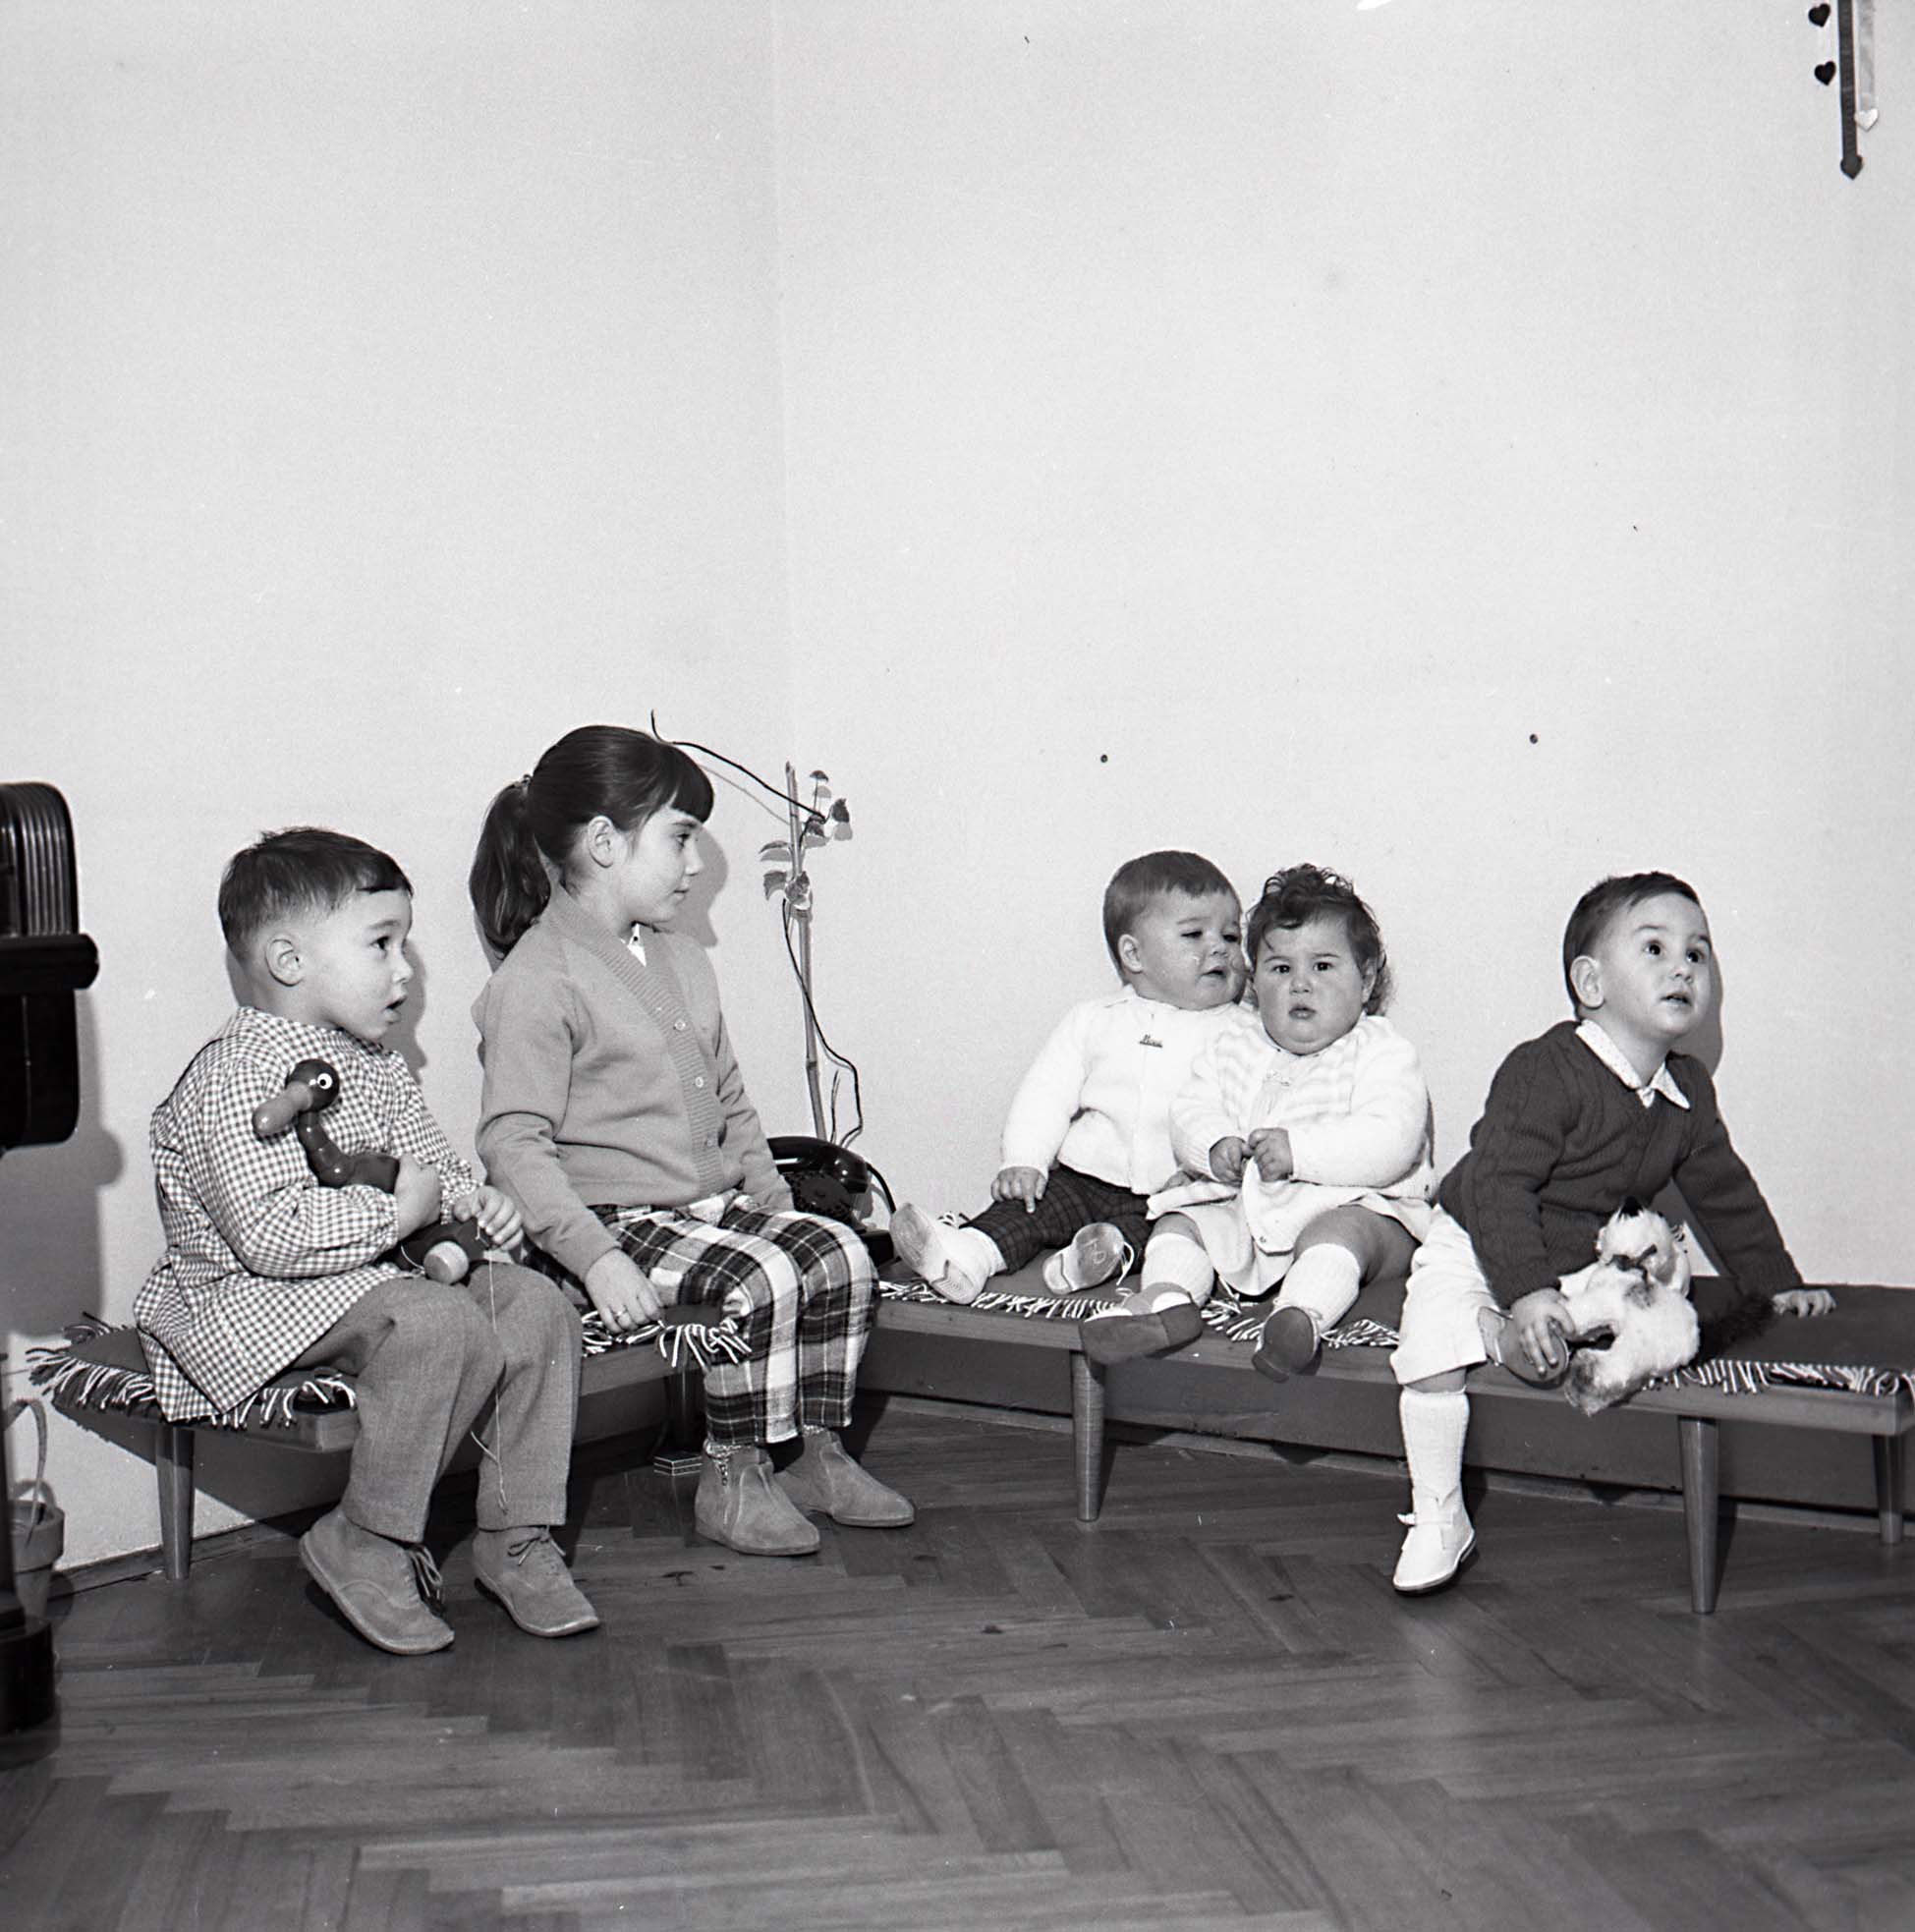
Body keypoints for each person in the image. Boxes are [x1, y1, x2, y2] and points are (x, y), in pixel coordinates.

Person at [137, 828, 596, 1657]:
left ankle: (516, 1534)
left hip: (373, 1276)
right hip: (252, 1298)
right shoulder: (235, 1074)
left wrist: (474, 1202)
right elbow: (267, 1237)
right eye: (381, 944)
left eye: (404, 944)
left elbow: (432, 1171)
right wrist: (395, 1219)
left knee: (535, 1305)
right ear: (288, 961)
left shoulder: (375, 1064)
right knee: (434, 1323)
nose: (405, 969)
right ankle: (368, 1539)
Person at [468, 724, 912, 1561]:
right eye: (679, 838)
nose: (697, 863)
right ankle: (734, 1474)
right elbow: (513, 1145)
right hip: (614, 1225)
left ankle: (814, 1454)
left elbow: (731, 1100)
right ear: (604, 843)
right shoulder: (537, 978)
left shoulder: (682, 959)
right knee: (764, 1274)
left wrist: (779, 1208)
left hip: (709, 1209)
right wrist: (596, 1259)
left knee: (838, 1254)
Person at [1388, 871, 1834, 1596]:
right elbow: (1500, 1187)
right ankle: (1440, 1512)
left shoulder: (1687, 1092)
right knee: (1430, 1350)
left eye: (1696, 953)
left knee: (1648, 1306)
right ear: (1590, 983)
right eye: (1654, 948)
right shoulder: (1546, 1069)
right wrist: (1527, 1292)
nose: (1682, 967)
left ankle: (1518, 1338)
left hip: (1581, 1261)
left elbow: (1724, 1192)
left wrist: (1775, 1284)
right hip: (1479, 1239)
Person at [1087, 864, 1434, 1367]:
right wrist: (1213, 1145)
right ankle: (1167, 1299)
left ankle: (1299, 1318)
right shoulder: (1238, 1042)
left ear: (1365, 981)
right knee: (1182, 1220)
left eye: (1323, 967)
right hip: (1249, 1214)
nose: (1300, 985)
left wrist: (1299, 1153)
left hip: (1356, 1204)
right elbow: (1191, 1107)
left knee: (1344, 1232)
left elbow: (1392, 1140)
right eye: (1280, 969)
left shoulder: (1381, 1051)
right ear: (1255, 982)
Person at [888, 852, 1246, 1322]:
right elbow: (1046, 1093)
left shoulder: (1240, 1032)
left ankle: (1094, 1259)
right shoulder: (1094, 1020)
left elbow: (1250, 1108)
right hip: (1083, 1177)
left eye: (1231, 936)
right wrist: (1024, 1159)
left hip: (1171, 1190)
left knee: (1162, 1236)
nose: (1219, 948)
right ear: (1134, 955)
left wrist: (1214, 1173)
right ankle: (966, 1257)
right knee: (1028, 1208)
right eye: (1194, 935)